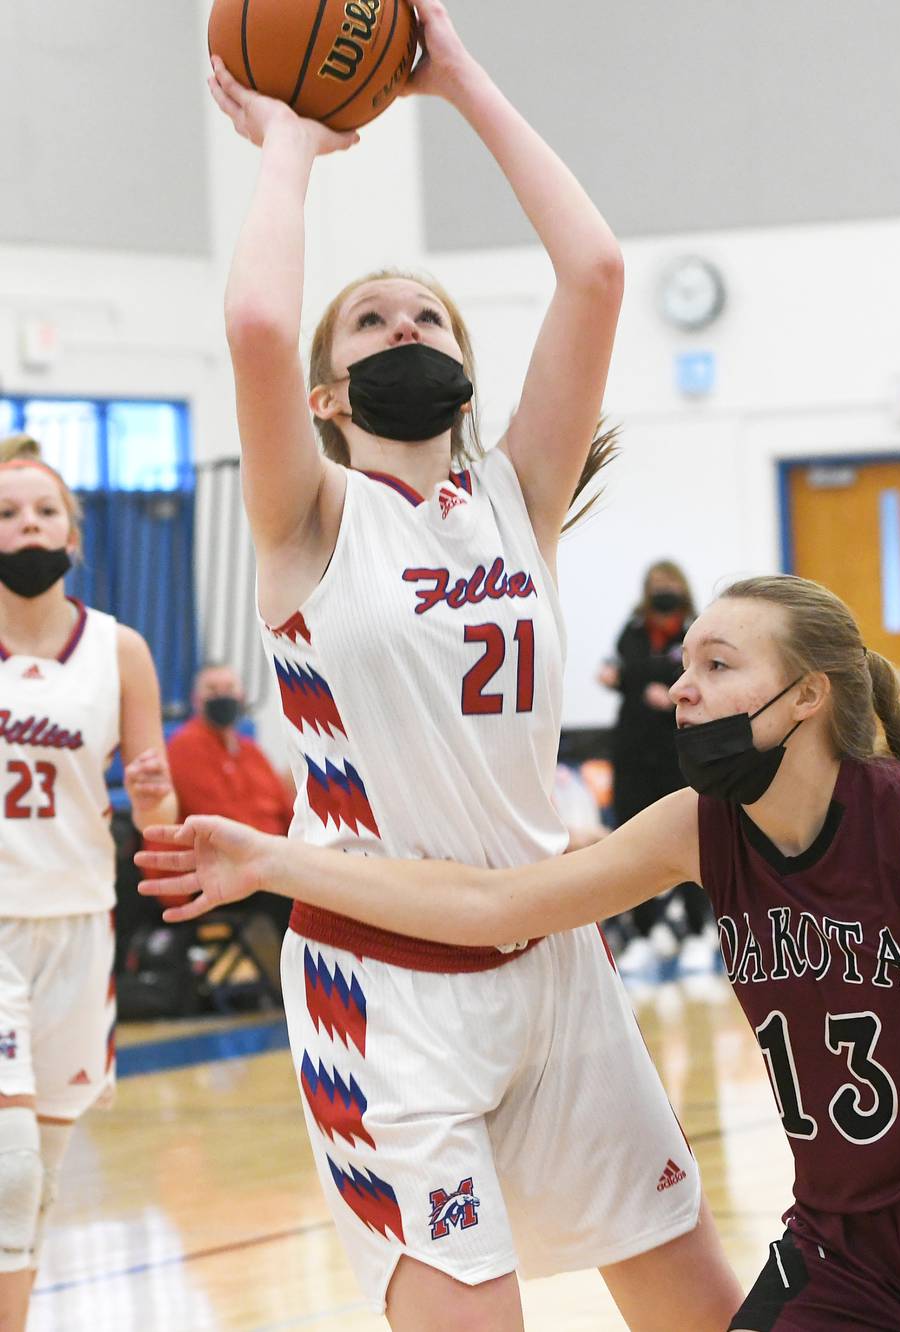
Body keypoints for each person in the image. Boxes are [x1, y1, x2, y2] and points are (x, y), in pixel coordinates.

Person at [141, 573, 900, 1331]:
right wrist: (276, 864)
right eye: (684, 666)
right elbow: (494, 904)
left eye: (717, 666)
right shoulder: (695, 827)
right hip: (842, 1239)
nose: (682, 688)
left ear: (804, 698)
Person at [205, 3, 739, 1326]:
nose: (402, 325)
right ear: (329, 398)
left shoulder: (519, 495)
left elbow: (598, 269)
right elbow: (262, 327)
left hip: (551, 950)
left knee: (707, 1309)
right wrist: (288, 144)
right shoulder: (312, 517)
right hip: (381, 982)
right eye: (371, 321)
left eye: (425, 312)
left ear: (461, 362)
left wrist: (457, 81)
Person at [0, 434, 177, 1330]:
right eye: (6, 512)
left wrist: (155, 799)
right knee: (7, 1165)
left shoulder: (120, 650)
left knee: (39, 1184)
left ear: (73, 534)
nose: (25, 525)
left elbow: (158, 820)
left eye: (43, 511)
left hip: (79, 925)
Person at [599, 560, 716, 973]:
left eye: (669, 583)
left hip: (678, 749)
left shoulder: (697, 630)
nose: (662, 589)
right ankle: (646, 932)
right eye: (656, 584)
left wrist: (640, 679)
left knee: (690, 834)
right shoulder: (632, 630)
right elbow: (616, 670)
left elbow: (678, 673)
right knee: (632, 837)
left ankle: (701, 929)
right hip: (632, 750)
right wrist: (637, 678)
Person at [167, 662, 294, 935]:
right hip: (218, 869)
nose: (222, 696)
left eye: (229, 689)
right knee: (299, 893)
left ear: (242, 696)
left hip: (267, 860)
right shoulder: (184, 747)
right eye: (212, 689)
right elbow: (216, 819)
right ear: (196, 700)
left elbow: (285, 809)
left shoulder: (251, 751)